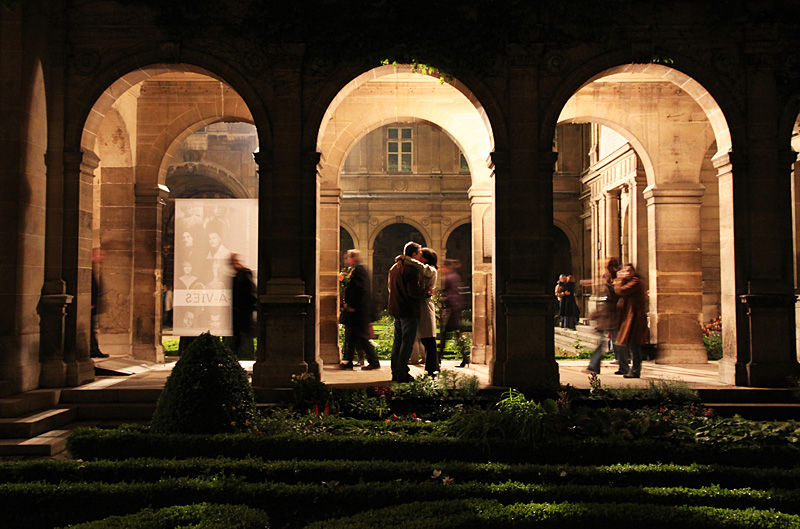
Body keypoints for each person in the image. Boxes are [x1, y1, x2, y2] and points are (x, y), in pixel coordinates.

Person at [387, 241, 427, 383]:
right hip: (408, 309)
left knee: (397, 342)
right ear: (414, 254)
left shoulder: (394, 268)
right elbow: (413, 292)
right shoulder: (411, 270)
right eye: (419, 254)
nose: (419, 258)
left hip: (396, 308)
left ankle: (395, 371)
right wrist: (426, 292)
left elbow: (389, 288)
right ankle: (402, 373)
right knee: (407, 342)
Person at [340, 249, 380, 370]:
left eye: (348, 258)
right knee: (351, 337)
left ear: (354, 258)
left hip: (358, 311)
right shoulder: (358, 270)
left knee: (361, 337)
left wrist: (352, 305)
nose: (346, 260)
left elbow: (360, 290)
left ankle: (373, 362)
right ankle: (349, 361)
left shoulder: (359, 270)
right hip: (357, 311)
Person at [403, 247, 439, 376]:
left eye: (421, 255)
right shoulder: (426, 270)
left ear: (427, 259)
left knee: (429, 338)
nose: (419, 258)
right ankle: (432, 367)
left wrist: (406, 259)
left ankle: (432, 368)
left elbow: (421, 267)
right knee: (426, 338)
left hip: (425, 305)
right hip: (422, 304)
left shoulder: (431, 270)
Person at [582, 257, 620, 374]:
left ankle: (595, 366)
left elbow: (614, 297)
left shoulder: (616, 280)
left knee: (616, 342)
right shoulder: (607, 279)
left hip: (613, 315)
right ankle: (595, 366)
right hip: (606, 316)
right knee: (611, 342)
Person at [614, 263, 648, 378]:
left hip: (634, 318)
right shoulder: (630, 282)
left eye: (629, 271)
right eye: (625, 271)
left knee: (635, 346)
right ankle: (625, 368)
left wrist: (619, 278)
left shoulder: (636, 282)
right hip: (628, 318)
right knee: (625, 344)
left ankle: (635, 370)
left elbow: (620, 290)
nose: (627, 273)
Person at [439, 259, 466, 366]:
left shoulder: (449, 277)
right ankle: (464, 357)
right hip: (455, 308)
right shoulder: (454, 276)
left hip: (452, 308)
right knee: (455, 334)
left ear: (447, 267)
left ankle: (438, 358)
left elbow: (447, 292)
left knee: (445, 334)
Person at [230, 253, 257, 358]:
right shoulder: (237, 276)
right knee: (240, 338)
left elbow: (251, 292)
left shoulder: (244, 274)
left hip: (244, 313)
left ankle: (245, 356)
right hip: (239, 313)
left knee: (243, 338)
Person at [90, 248, 109, 358]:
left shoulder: (92, 266)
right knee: (90, 329)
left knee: (92, 329)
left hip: (92, 304)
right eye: (100, 255)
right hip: (89, 305)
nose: (102, 257)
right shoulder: (87, 265)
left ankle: (94, 350)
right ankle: (93, 350)